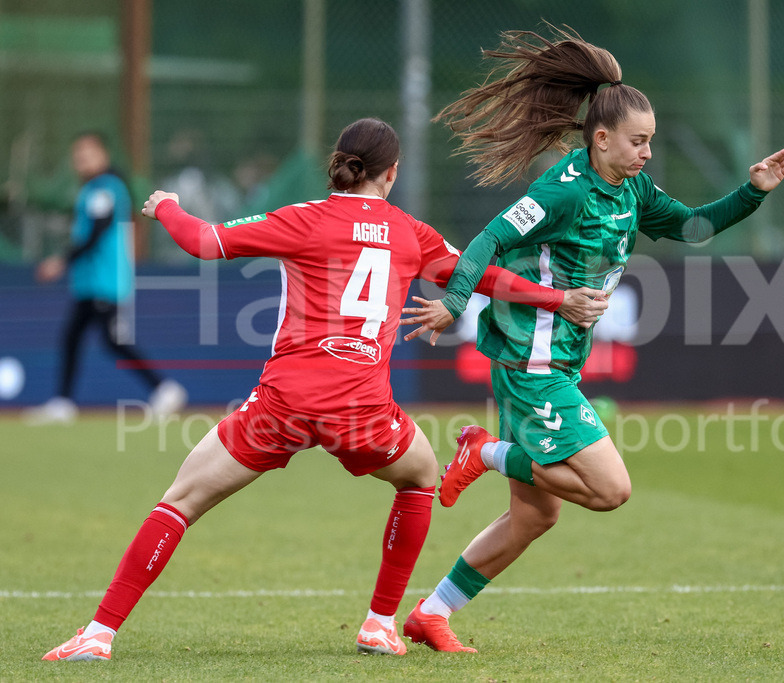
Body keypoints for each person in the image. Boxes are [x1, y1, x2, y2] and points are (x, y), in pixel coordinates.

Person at [41, 117, 607, 661]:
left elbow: (205, 241)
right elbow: (481, 277)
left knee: (179, 503)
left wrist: (165, 207)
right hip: (361, 408)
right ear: (392, 172)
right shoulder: (410, 233)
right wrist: (559, 299)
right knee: (421, 476)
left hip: (284, 403)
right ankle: (381, 624)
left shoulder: (304, 217)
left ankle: (98, 634)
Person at [398, 27, 784, 652]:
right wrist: (454, 301)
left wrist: (753, 193)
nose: (646, 154)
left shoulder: (632, 187)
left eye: (651, 143)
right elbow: (489, 239)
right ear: (602, 138)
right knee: (612, 490)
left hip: (557, 360)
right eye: (638, 143)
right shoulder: (564, 189)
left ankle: (430, 614)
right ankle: (483, 453)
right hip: (532, 363)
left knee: (535, 515)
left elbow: (692, 229)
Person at [25, 131, 187, 424]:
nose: (81, 161)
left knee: (112, 340)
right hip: (89, 282)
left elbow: (98, 229)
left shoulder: (106, 188)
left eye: (87, 154)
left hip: (106, 282)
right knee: (74, 336)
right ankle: (63, 402)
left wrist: (61, 261)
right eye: (77, 156)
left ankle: (165, 388)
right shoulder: (90, 190)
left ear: (103, 156)